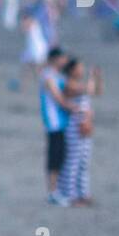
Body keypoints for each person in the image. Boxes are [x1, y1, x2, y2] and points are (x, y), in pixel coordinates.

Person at [59, 57, 102, 207]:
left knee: (84, 162)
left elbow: (97, 91)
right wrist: (91, 76)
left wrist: (98, 77)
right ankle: (70, 195)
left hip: (86, 126)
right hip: (73, 127)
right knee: (72, 161)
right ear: (71, 70)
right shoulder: (68, 84)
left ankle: (83, 194)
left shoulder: (78, 84)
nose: (81, 70)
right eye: (79, 68)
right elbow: (88, 90)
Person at [40, 46, 75, 206]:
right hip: (54, 123)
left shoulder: (57, 75)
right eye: (63, 58)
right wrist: (75, 108)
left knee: (60, 156)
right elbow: (58, 98)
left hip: (61, 122)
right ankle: (53, 192)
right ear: (56, 59)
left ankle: (57, 190)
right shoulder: (48, 76)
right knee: (55, 158)